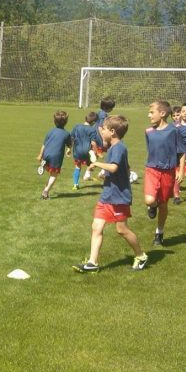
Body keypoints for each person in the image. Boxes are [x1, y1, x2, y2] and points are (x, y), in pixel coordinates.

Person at [72, 115, 148, 273]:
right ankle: (93, 263)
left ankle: (141, 256)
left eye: (104, 129)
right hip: (107, 196)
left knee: (122, 229)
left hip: (118, 197)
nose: (101, 132)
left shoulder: (119, 147)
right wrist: (105, 173)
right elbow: (124, 169)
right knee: (96, 227)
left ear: (112, 132)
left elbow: (114, 167)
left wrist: (96, 164)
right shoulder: (113, 148)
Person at [144, 100, 186, 246]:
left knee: (163, 205)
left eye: (151, 112)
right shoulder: (148, 131)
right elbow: (151, 151)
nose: (149, 115)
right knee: (149, 200)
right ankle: (152, 205)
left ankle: (159, 233)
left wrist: (180, 171)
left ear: (162, 114)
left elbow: (181, 153)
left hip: (168, 172)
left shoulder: (174, 131)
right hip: (152, 170)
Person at [37, 110, 71, 199]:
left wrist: (40, 155)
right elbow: (70, 145)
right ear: (66, 122)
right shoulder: (66, 134)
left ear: (54, 121)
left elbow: (44, 144)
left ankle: (44, 164)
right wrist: (69, 150)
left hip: (46, 153)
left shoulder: (50, 131)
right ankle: (45, 192)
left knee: (48, 165)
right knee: (54, 174)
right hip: (56, 157)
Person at [70, 111, 99, 190]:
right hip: (87, 152)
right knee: (92, 163)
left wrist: (69, 148)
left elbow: (71, 138)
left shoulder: (77, 126)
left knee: (77, 167)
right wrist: (96, 152)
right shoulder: (92, 130)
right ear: (93, 122)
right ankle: (88, 174)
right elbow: (93, 143)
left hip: (77, 152)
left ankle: (75, 184)